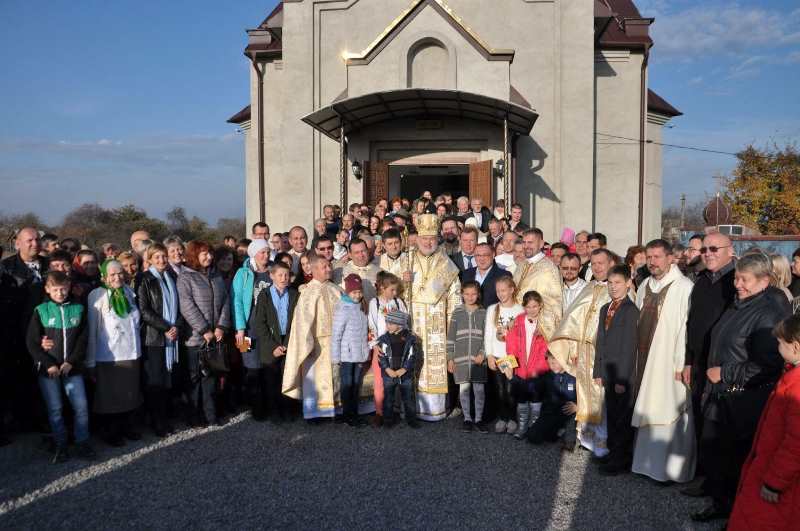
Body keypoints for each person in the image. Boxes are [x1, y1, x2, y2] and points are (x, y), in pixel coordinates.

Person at [693, 253, 790, 523]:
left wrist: (725, 372)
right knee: (715, 454)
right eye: (736, 278)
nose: (737, 284)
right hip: (721, 395)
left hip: (743, 400)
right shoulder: (740, 303)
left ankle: (736, 513)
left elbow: (766, 365)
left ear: (764, 281)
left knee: (735, 460)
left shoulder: (769, 313)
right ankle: (720, 502)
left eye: (744, 280)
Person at [630, 239, 695, 483]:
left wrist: (681, 363)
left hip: (669, 361)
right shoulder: (645, 283)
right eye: (649, 257)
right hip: (645, 356)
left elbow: (685, 329)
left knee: (667, 406)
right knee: (647, 405)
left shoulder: (683, 287)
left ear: (670, 258)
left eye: (658, 257)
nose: (653, 262)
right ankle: (644, 464)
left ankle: (669, 471)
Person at [728, 315, 800, 531]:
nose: (777, 346)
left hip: (777, 480)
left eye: (780, 342)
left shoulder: (796, 387)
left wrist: (774, 482)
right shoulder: (791, 377)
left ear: (795, 347)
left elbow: (795, 443)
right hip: (772, 468)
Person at [682, 231, 737, 497]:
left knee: (717, 424)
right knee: (701, 418)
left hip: (722, 366)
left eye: (714, 249)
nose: (708, 254)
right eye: (704, 249)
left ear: (730, 250)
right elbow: (693, 324)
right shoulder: (702, 280)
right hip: (700, 362)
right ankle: (703, 475)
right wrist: (689, 361)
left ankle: (716, 483)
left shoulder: (735, 282)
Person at [548, 248, 615, 457]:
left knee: (601, 396)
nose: (596, 267)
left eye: (601, 263)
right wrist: (574, 348)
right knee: (584, 393)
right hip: (585, 352)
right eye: (593, 264)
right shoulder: (590, 287)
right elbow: (575, 321)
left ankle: (603, 443)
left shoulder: (616, 288)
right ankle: (586, 438)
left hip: (604, 353)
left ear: (610, 264)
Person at [26, 271, 95, 462]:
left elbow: (83, 339)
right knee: (55, 409)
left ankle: (82, 442)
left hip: (72, 369)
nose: (60, 293)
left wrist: (71, 361)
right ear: (47, 289)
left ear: (69, 287)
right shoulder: (41, 310)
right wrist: (48, 364)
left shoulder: (79, 308)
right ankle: (61, 444)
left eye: (63, 289)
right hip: (49, 371)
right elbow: (31, 343)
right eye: (55, 289)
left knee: (81, 407)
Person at [406, 214, 462, 421]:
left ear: (437, 238)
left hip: (438, 326)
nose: (428, 242)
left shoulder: (446, 263)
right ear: (417, 239)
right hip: (414, 325)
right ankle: (412, 407)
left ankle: (435, 411)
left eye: (431, 238)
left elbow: (456, 299)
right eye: (424, 238)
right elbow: (393, 294)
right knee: (414, 366)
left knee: (435, 366)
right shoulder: (407, 260)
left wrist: (452, 330)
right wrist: (404, 283)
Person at [87, 260, 143, 446]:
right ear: (104, 277)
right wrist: (90, 361)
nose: (117, 277)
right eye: (112, 274)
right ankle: (111, 432)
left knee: (129, 393)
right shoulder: (97, 296)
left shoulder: (129, 292)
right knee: (110, 396)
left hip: (131, 352)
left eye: (119, 273)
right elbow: (93, 330)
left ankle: (127, 427)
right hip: (109, 356)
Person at [177, 241, 231, 427]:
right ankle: (194, 416)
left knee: (210, 377)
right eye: (204, 254)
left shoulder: (216, 275)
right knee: (194, 378)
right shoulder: (186, 278)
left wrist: (221, 326)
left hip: (215, 335)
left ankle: (211, 415)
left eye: (209, 253)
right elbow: (187, 306)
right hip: (195, 338)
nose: (209, 257)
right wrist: (204, 329)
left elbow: (225, 301)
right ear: (194, 256)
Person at [282, 254, 342, 421]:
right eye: (324, 267)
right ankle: (314, 413)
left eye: (329, 266)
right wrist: (306, 344)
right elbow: (302, 322)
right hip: (314, 344)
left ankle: (334, 411)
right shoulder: (308, 292)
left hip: (334, 343)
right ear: (314, 269)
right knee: (314, 379)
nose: (329, 269)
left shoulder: (336, 289)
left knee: (334, 377)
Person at [593, 264, 639, 476]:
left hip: (621, 374)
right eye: (610, 283)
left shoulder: (630, 311)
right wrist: (598, 371)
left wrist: (622, 379)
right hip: (608, 371)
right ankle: (612, 452)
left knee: (621, 417)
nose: (613, 287)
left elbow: (629, 348)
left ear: (628, 284)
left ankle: (621, 458)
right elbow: (600, 342)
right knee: (611, 414)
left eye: (618, 283)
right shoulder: (606, 308)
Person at [2, 227, 47, 433]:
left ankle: (43, 419)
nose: (34, 244)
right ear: (17, 243)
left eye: (37, 240)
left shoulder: (49, 265)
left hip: (48, 332)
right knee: (20, 379)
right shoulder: (6, 268)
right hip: (18, 333)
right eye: (29, 240)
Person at [136, 244, 182, 437]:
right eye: (157, 257)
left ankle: (166, 418)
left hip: (172, 337)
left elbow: (180, 306)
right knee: (155, 382)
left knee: (167, 381)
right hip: (154, 338)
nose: (162, 260)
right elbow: (144, 310)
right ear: (150, 260)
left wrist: (176, 326)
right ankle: (157, 422)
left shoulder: (172, 277)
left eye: (164, 256)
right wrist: (166, 327)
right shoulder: (144, 279)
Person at [251, 261, 298, 422]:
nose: (284, 278)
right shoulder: (264, 295)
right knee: (271, 379)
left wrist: (287, 344)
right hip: (270, 343)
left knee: (288, 378)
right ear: (271, 276)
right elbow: (259, 323)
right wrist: (273, 346)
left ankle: (288, 410)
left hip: (288, 341)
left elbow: (297, 322)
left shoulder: (293, 294)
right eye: (280, 275)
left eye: (286, 275)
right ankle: (275, 412)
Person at [505, 290, 550, 440]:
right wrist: (510, 366)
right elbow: (510, 345)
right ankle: (522, 426)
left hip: (537, 370)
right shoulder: (518, 321)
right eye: (528, 307)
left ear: (540, 306)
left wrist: (540, 368)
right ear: (524, 307)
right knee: (522, 399)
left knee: (536, 399)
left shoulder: (545, 324)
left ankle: (533, 428)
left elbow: (547, 348)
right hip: (520, 369)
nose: (532, 310)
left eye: (535, 306)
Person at [446, 281, 488, 432]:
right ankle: (467, 418)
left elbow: (487, 337)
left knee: (479, 390)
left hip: (478, 360)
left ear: (478, 294)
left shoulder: (484, 313)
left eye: (474, 294)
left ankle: (479, 419)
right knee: (464, 389)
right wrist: (450, 358)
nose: (470, 297)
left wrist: (483, 353)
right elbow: (450, 337)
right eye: (467, 294)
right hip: (461, 359)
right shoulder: (457, 312)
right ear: (462, 294)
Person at [367, 272, 408, 427]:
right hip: (381, 349)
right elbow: (372, 325)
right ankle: (379, 412)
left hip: (397, 347)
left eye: (396, 290)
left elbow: (405, 322)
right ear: (382, 288)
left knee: (394, 380)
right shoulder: (374, 303)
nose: (395, 293)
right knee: (379, 381)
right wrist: (376, 345)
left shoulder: (398, 302)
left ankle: (393, 411)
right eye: (392, 290)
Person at [484, 276, 523, 433]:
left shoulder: (520, 310)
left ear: (512, 290)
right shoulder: (492, 309)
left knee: (511, 388)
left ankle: (513, 418)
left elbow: (521, 337)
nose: (500, 293)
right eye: (498, 291)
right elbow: (488, 334)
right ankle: (502, 417)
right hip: (498, 355)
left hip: (512, 357)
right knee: (499, 389)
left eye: (503, 290)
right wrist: (489, 355)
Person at [331, 274, 370, 427]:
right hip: (346, 355)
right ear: (347, 292)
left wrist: (366, 351)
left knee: (356, 384)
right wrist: (335, 357)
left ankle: (354, 413)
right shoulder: (343, 308)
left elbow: (364, 332)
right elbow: (336, 334)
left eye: (359, 292)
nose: (357, 295)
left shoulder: (362, 307)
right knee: (347, 385)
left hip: (359, 353)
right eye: (354, 292)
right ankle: (348, 414)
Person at [512, 228, 563, 340]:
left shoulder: (549, 269)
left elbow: (555, 304)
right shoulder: (522, 265)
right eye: (524, 242)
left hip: (535, 330)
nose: (526, 246)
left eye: (530, 242)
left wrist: (542, 326)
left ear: (541, 244)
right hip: (517, 325)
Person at [375, 311, 420, 429]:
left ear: (399, 325)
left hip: (405, 374)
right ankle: (388, 421)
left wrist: (404, 369)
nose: (387, 326)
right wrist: (387, 369)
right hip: (388, 374)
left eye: (391, 323)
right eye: (387, 323)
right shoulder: (384, 339)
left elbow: (412, 356)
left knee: (408, 398)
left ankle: (411, 420)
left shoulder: (410, 338)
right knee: (388, 398)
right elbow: (381, 357)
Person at [527, 352, 577, 451]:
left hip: (569, 413)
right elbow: (533, 389)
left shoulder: (574, 375)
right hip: (551, 412)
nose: (551, 366)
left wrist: (578, 406)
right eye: (549, 363)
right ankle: (557, 432)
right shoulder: (548, 376)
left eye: (554, 363)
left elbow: (585, 396)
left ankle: (569, 435)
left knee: (568, 443)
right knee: (534, 437)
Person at [461, 243, 512, 307]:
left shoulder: (504, 275)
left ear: (493, 255)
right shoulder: (465, 274)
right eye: (478, 255)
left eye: (485, 255)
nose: (482, 259)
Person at [336, 238, 380, 304]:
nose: (361, 255)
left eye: (363, 251)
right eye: (356, 252)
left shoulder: (379, 272)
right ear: (350, 255)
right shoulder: (340, 272)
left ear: (368, 251)